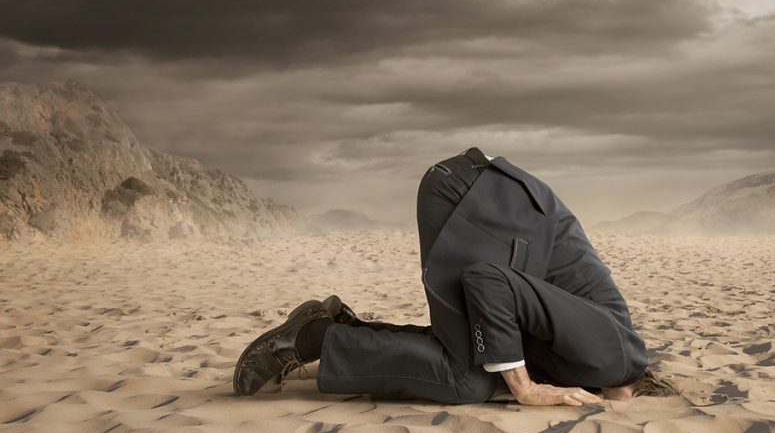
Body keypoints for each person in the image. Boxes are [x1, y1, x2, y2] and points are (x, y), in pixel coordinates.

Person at [233, 147, 675, 405]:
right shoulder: (615, 358)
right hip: (473, 199)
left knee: (477, 360)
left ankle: (340, 331)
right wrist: (525, 391)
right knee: (470, 378)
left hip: (485, 197)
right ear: (635, 392)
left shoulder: (593, 359)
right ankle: (309, 339)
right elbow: (488, 281)